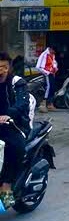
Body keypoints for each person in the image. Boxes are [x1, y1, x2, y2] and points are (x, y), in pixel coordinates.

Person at [0, 52, 30, 209]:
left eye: (4, 67)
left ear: (9, 67)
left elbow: (22, 103)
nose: (1, 70)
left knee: (14, 147)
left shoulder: (17, 82)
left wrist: (8, 114)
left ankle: (7, 185)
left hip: (15, 124)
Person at [36, 45, 58, 113]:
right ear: (50, 49)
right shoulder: (44, 55)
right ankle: (43, 104)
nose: (54, 53)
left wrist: (55, 68)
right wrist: (47, 72)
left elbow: (53, 63)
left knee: (53, 88)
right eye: (53, 51)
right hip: (46, 73)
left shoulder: (52, 55)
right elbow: (38, 67)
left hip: (52, 73)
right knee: (48, 87)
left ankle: (50, 104)